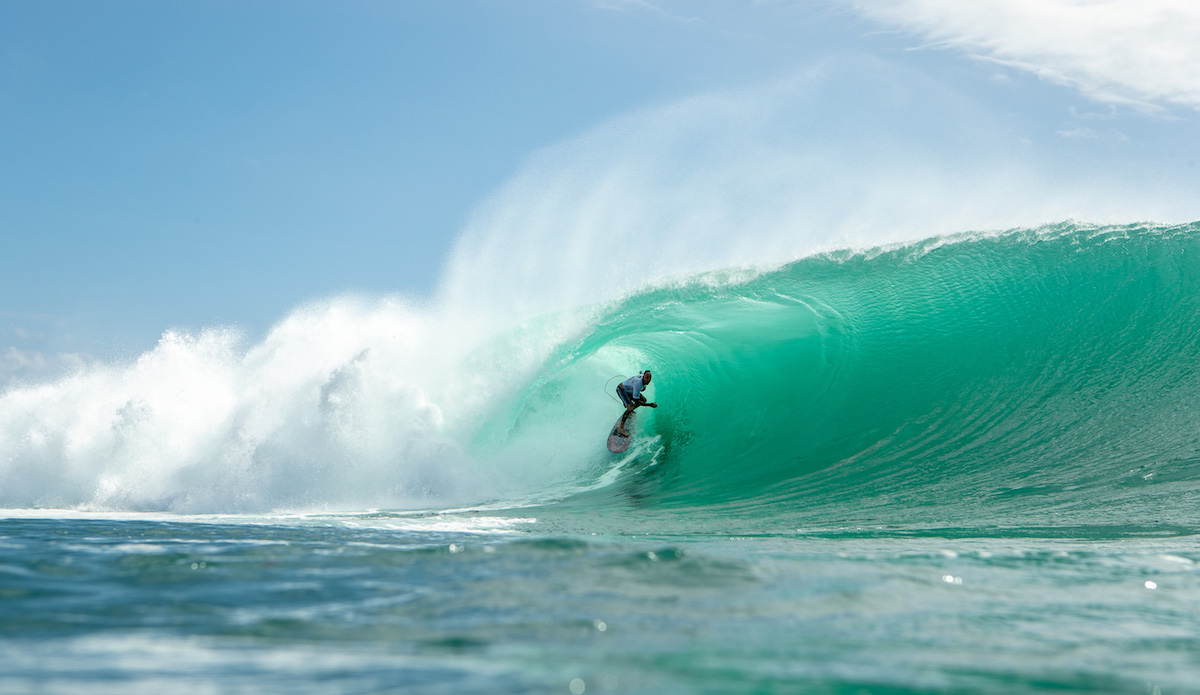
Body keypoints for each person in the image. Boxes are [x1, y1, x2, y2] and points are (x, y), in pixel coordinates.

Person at [616, 370, 657, 437]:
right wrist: (650, 404)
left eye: (650, 378)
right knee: (630, 407)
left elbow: (641, 372)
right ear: (643, 377)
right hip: (622, 389)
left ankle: (629, 412)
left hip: (630, 390)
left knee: (643, 400)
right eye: (647, 378)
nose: (648, 380)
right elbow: (637, 401)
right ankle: (620, 429)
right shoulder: (638, 384)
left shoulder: (643, 376)